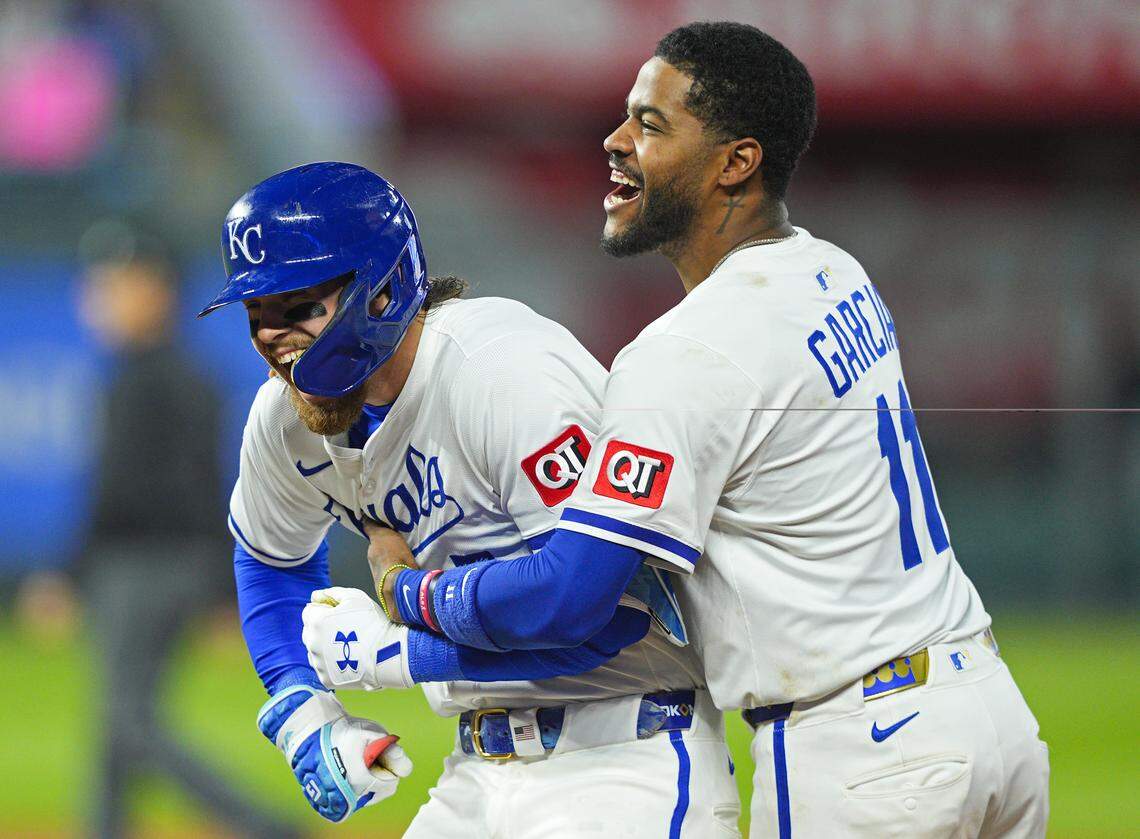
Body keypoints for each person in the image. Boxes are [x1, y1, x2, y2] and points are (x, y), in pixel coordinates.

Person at [308, 22, 1050, 838]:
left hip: (866, 754)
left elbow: (570, 592)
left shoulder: (684, 354)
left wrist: (407, 589)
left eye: (651, 126)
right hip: (984, 709)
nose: (616, 141)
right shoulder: (835, 270)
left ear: (737, 161)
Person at [198, 161, 740, 835]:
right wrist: (305, 716)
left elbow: (613, 614)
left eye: (298, 306)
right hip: (476, 772)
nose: (272, 338)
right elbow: (269, 561)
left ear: (382, 290)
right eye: (257, 311)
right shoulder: (284, 422)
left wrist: (397, 649)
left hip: (626, 756)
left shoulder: (503, 371)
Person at [17, 226, 296, 839]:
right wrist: (224, 585)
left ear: (156, 291)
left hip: (141, 570)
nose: (100, 299)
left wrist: (68, 575)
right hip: (174, 567)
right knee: (117, 727)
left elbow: (115, 495)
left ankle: (266, 827)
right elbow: (215, 492)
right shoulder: (189, 376)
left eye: (116, 286)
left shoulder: (142, 380)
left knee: (128, 724)